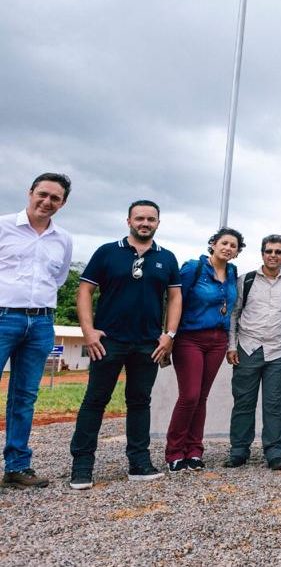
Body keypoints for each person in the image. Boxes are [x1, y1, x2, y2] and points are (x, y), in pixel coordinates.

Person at [69, 200, 181, 490]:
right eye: (140, 218)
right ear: (128, 220)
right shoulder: (107, 252)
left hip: (148, 343)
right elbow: (85, 291)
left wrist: (169, 334)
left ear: (158, 222)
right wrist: (88, 331)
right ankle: (82, 466)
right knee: (95, 401)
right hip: (108, 341)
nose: (145, 223)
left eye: (151, 219)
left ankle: (139, 463)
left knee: (140, 402)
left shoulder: (166, 258)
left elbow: (175, 298)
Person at [0, 173, 73, 490]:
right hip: (4, 316)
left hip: (41, 321)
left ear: (63, 203)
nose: (47, 202)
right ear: (30, 192)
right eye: (42, 194)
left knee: (24, 396)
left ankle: (17, 467)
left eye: (55, 198)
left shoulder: (63, 239)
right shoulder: (3, 226)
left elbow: (58, 278)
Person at [164, 227, 243, 472]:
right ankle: (175, 452)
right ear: (213, 244)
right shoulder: (192, 268)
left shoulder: (232, 272)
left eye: (233, 245)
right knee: (189, 396)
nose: (228, 248)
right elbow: (174, 300)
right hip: (190, 337)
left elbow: (231, 309)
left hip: (217, 340)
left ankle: (194, 451)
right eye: (224, 243)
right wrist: (169, 335)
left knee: (202, 397)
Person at [224, 234, 281, 471]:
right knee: (243, 403)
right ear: (262, 253)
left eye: (278, 252)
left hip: (278, 350)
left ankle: (275, 452)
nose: (273, 256)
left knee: (275, 404)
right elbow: (234, 314)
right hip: (248, 347)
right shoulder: (245, 280)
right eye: (269, 251)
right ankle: (239, 450)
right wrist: (232, 345)